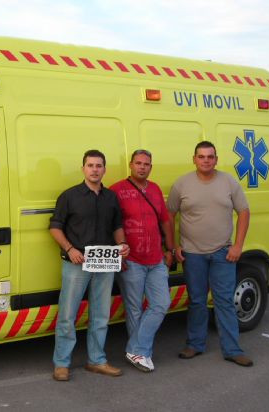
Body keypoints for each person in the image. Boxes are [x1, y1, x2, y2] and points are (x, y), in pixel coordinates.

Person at [167, 141, 253, 367]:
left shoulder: (228, 182)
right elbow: (169, 216)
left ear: (216, 159)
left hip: (223, 253)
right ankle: (195, 344)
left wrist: (238, 246)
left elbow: (244, 212)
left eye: (210, 156)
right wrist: (173, 246)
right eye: (201, 156)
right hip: (192, 254)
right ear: (193, 159)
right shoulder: (182, 184)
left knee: (224, 301)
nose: (206, 160)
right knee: (196, 301)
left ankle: (232, 350)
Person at [49, 149, 130, 381]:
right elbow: (55, 227)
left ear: (104, 169)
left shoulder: (111, 197)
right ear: (83, 168)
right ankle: (61, 364)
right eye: (90, 165)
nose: (95, 169)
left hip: (105, 262)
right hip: (77, 263)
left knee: (101, 314)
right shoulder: (69, 196)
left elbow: (117, 226)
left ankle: (97, 360)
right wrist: (70, 249)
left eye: (99, 165)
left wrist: (122, 244)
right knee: (67, 315)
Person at [110, 149, 173, 372]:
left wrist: (170, 249)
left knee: (161, 303)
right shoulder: (117, 190)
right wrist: (118, 253)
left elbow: (165, 221)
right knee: (134, 308)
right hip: (132, 260)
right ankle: (140, 353)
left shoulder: (155, 189)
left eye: (146, 164)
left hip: (156, 259)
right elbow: (110, 224)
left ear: (151, 167)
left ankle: (136, 348)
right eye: (138, 163)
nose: (142, 167)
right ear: (130, 164)